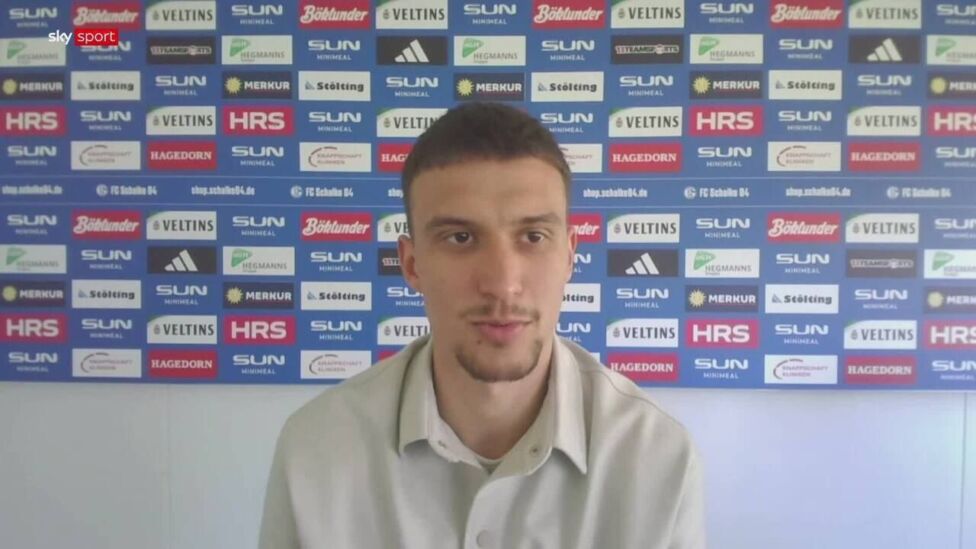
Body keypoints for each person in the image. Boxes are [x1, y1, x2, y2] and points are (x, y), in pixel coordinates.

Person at [258, 102, 705, 548]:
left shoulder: (657, 456)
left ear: (569, 255)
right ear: (411, 264)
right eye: (461, 238)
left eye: (533, 236)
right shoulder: (315, 450)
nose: (503, 284)